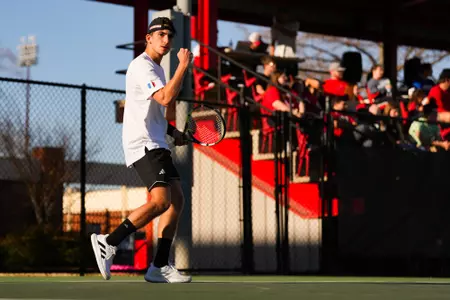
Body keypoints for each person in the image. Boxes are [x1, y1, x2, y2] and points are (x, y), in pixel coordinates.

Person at [90, 17, 193, 283]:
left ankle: (159, 266)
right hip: (143, 144)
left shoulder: (157, 71)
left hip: (156, 141)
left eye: (169, 35)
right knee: (161, 201)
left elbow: (154, 114)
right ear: (148, 38)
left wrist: (174, 133)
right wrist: (183, 66)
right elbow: (166, 98)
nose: (166, 40)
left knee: (177, 201)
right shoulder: (142, 67)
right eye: (160, 34)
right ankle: (109, 242)